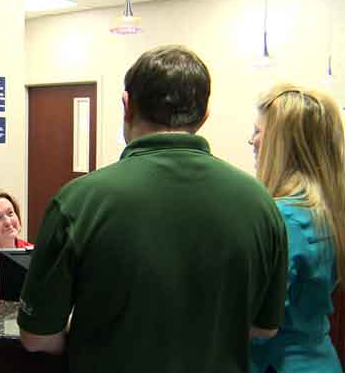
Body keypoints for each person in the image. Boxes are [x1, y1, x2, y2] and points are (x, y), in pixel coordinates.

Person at [17, 45, 289, 373]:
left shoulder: (78, 201)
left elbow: (37, 337)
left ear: (126, 105)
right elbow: (265, 327)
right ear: (204, 117)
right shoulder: (260, 203)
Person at [248, 84, 345, 373]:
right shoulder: (328, 213)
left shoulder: (281, 217)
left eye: (258, 131)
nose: (252, 141)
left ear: (281, 142)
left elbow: (261, 323)